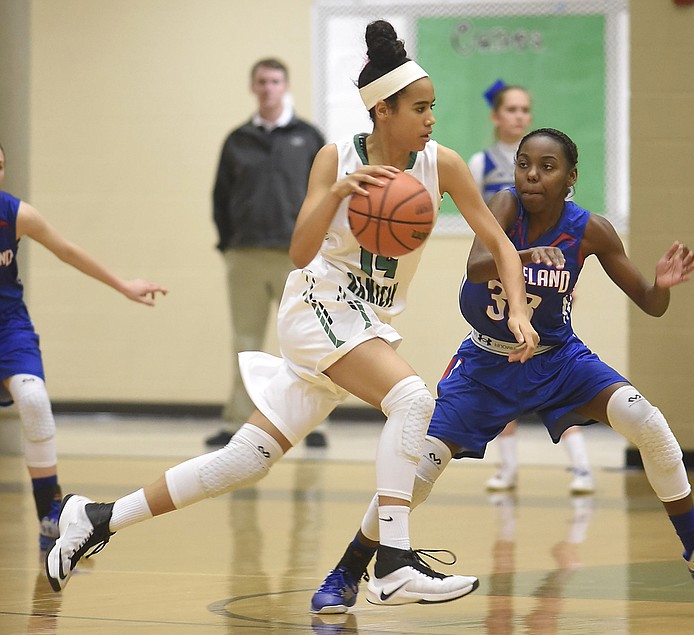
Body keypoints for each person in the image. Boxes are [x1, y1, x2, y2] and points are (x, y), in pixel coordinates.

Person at [44, 21, 553, 607]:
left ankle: (97, 517)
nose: (431, 118)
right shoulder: (334, 158)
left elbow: (502, 245)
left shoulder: (444, 165)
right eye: (419, 108)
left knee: (244, 460)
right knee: (412, 398)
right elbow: (299, 251)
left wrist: (518, 308)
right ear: (383, 111)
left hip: (365, 321)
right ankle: (391, 564)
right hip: (319, 305)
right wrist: (339, 194)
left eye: (432, 106)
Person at [310, 127, 694, 614]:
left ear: (571, 177)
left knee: (646, 420)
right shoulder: (505, 206)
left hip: (559, 359)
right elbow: (479, 265)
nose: (532, 175)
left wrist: (664, 284)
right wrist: (518, 256)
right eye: (525, 163)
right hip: (485, 363)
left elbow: (650, 303)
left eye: (547, 167)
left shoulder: (591, 230)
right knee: (415, 474)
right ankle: (347, 573)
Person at [0, 142, 167, 553]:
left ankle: (50, 514)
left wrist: (123, 285)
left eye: (0, 165)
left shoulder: (14, 213)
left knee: (34, 401)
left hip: (8, 327)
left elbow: (67, 251)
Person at [467, 82, 593, 495]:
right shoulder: (482, 165)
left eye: (525, 109)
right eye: (511, 109)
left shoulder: (544, 159)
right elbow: (481, 238)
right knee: (505, 372)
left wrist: (564, 280)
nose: (519, 116)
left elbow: (566, 230)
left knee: (553, 371)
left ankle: (580, 466)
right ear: (495, 116)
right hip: (501, 282)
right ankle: (507, 467)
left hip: (543, 273)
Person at [206, 57, 328, 449]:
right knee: (245, 339)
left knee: (308, 341)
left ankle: (314, 424)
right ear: (253, 87)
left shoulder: (308, 136)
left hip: (299, 256)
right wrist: (229, 244)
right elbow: (220, 198)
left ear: (285, 86)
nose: (268, 87)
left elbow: (327, 194)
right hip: (245, 254)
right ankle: (237, 421)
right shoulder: (237, 139)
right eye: (261, 81)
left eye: (275, 81)